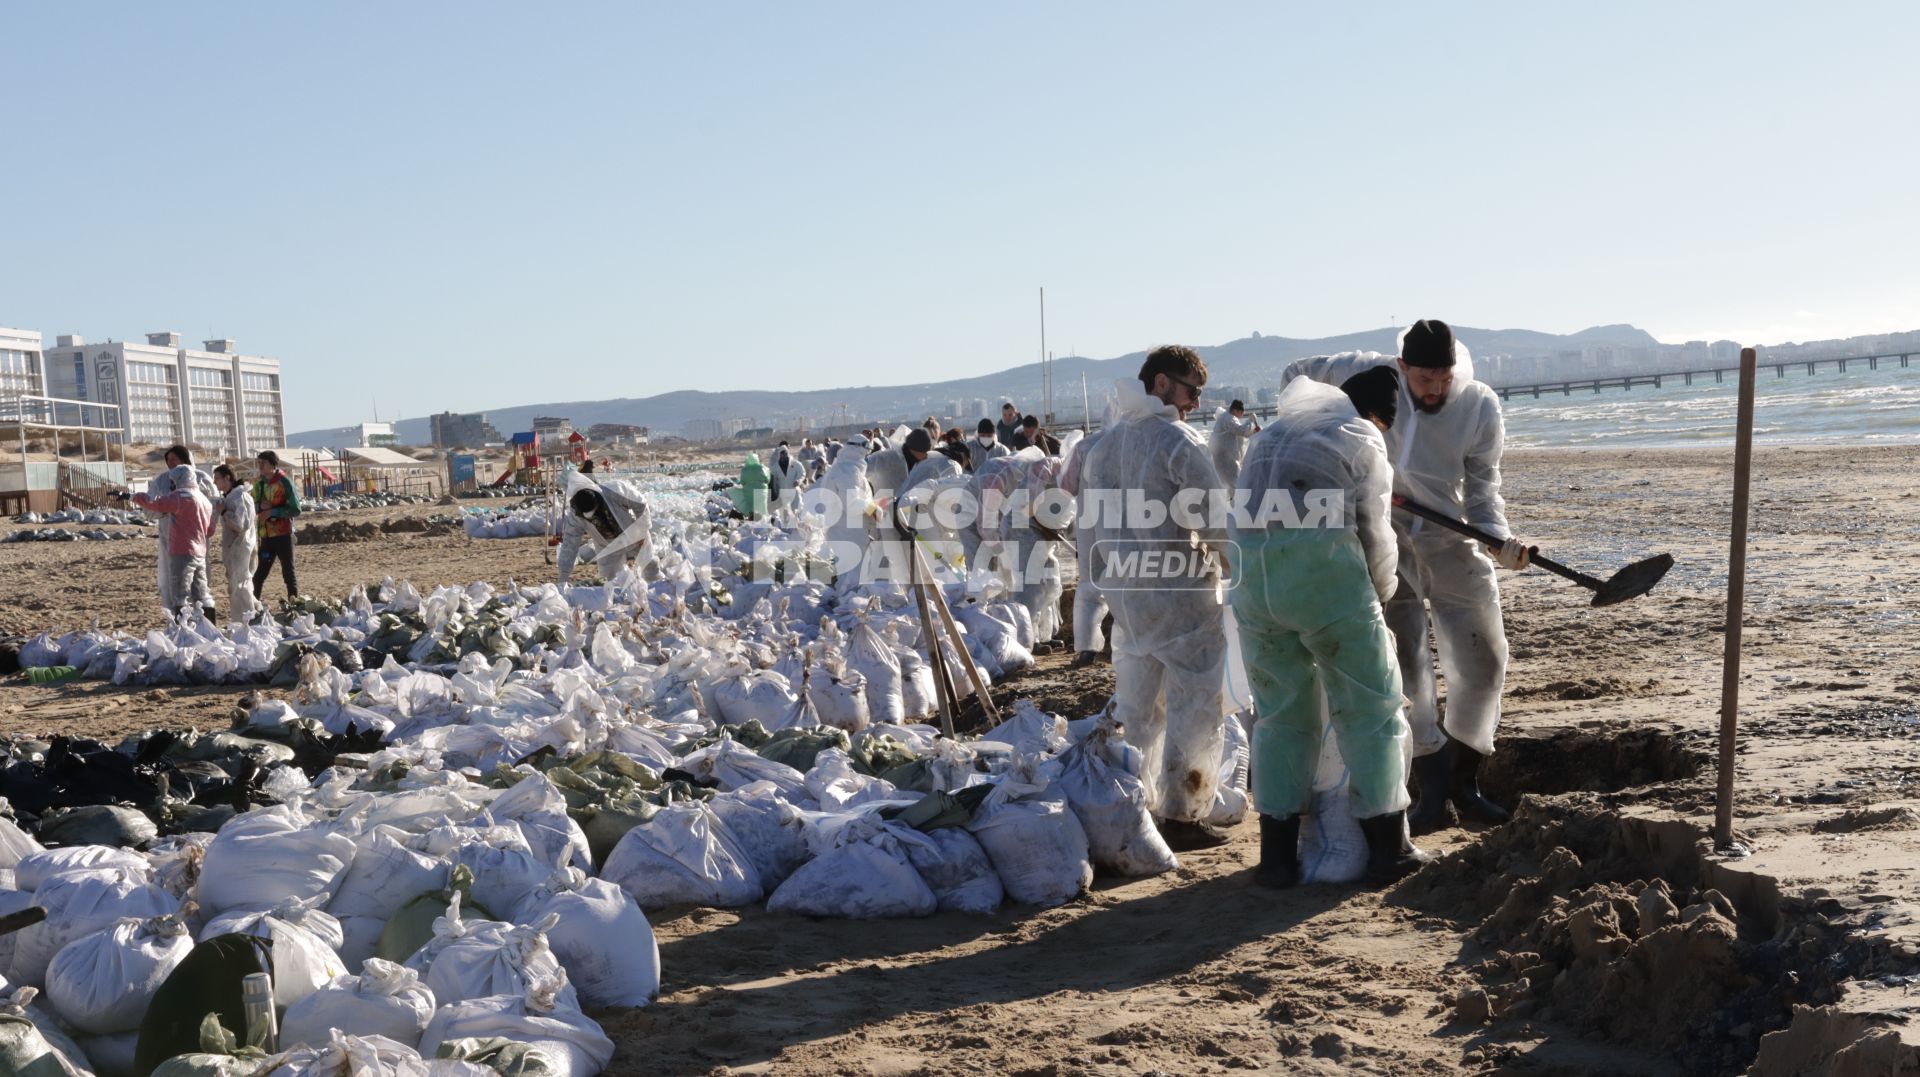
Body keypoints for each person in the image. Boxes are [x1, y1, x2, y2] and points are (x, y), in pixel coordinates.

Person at [1280, 318, 1529, 834]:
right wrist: (1311, 430)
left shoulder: (1479, 405)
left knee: (1485, 659)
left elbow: (1483, 489)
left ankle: (1466, 781)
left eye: (1444, 376)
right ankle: (1431, 791)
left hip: (1448, 536)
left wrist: (1499, 539)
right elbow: (1296, 373)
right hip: (1382, 534)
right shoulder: (1362, 370)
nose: (1436, 388)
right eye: (1424, 379)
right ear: (1401, 367)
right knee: (1407, 661)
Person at [1232, 366, 1429, 887]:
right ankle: (1389, 850)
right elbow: (1375, 530)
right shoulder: (1359, 435)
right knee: (1371, 710)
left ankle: (1275, 859)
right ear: (1376, 416)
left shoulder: (1268, 436)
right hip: (1325, 587)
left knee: (1278, 717)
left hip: (1255, 589)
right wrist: (1379, 597)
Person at [1079, 345, 1232, 849]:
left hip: (1129, 600)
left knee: (1138, 710)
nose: (1194, 402)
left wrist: (1099, 591)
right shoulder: (1176, 441)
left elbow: (1089, 533)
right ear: (1163, 384)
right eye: (1191, 391)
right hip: (1181, 597)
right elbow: (1213, 521)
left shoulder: (1102, 447)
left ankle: (1131, 812)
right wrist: (1240, 572)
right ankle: (1183, 815)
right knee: (1193, 704)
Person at [132, 465, 216, 618]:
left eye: (173, 481)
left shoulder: (180, 496)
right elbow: (210, 531)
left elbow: (154, 504)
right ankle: (208, 627)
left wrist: (133, 497)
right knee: (202, 592)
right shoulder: (204, 500)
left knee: (180, 594)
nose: (172, 485)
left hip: (182, 552)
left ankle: (183, 630)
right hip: (200, 552)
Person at [1059, 428, 1108, 668]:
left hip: (1090, 526)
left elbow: (1066, 485)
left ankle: (1087, 649)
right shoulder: (1142, 437)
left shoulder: (1086, 446)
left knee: (1090, 589)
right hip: (1135, 523)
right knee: (1134, 582)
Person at [557, 473, 654, 584]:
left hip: (633, 535)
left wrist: (642, 530)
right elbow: (570, 542)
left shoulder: (614, 490)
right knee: (610, 580)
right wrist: (564, 575)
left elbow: (640, 504)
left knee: (650, 566)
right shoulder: (576, 514)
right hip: (606, 545)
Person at [252, 450, 301, 602]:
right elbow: (252, 506)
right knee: (259, 575)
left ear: (273, 465)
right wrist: (260, 506)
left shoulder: (285, 483)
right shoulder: (259, 484)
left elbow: (296, 509)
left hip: (283, 536)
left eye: (263, 463)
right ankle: (253, 609)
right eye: (258, 462)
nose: (260, 466)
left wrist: (273, 511)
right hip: (265, 537)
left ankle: (294, 606)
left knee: (288, 573)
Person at [212, 465, 259, 622]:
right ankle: (243, 621)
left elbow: (241, 525)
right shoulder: (231, 497)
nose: (214, 481)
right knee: (237, 586)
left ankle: (249, 622)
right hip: (235, 548)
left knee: (241, 586)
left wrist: (224, 512)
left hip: (241, 548)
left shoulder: (241, 497)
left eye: (217, 478)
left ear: (227, 478)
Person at [1210, 399, 1260, 487]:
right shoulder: (1229, 418)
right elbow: (1241, 430)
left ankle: (1232, 499)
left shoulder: (1226, 417)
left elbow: (1242, 433)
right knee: (1235, 483)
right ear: (1236, 410)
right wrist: (1250, 421)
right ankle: (1238, 499)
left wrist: (1253, 432)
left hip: (1222, 455)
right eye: (1241, 413)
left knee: (1227, 483)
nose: (1241, 416)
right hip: (1225, 457)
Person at [734, 452, 770, 518]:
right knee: (762, 507)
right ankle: (764, 520)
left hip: (749, 492)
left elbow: (742, 482)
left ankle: (752, 519)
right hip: (761, 491)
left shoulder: (745, 470)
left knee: (751, 507)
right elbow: (767, 479)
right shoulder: (762, 468)